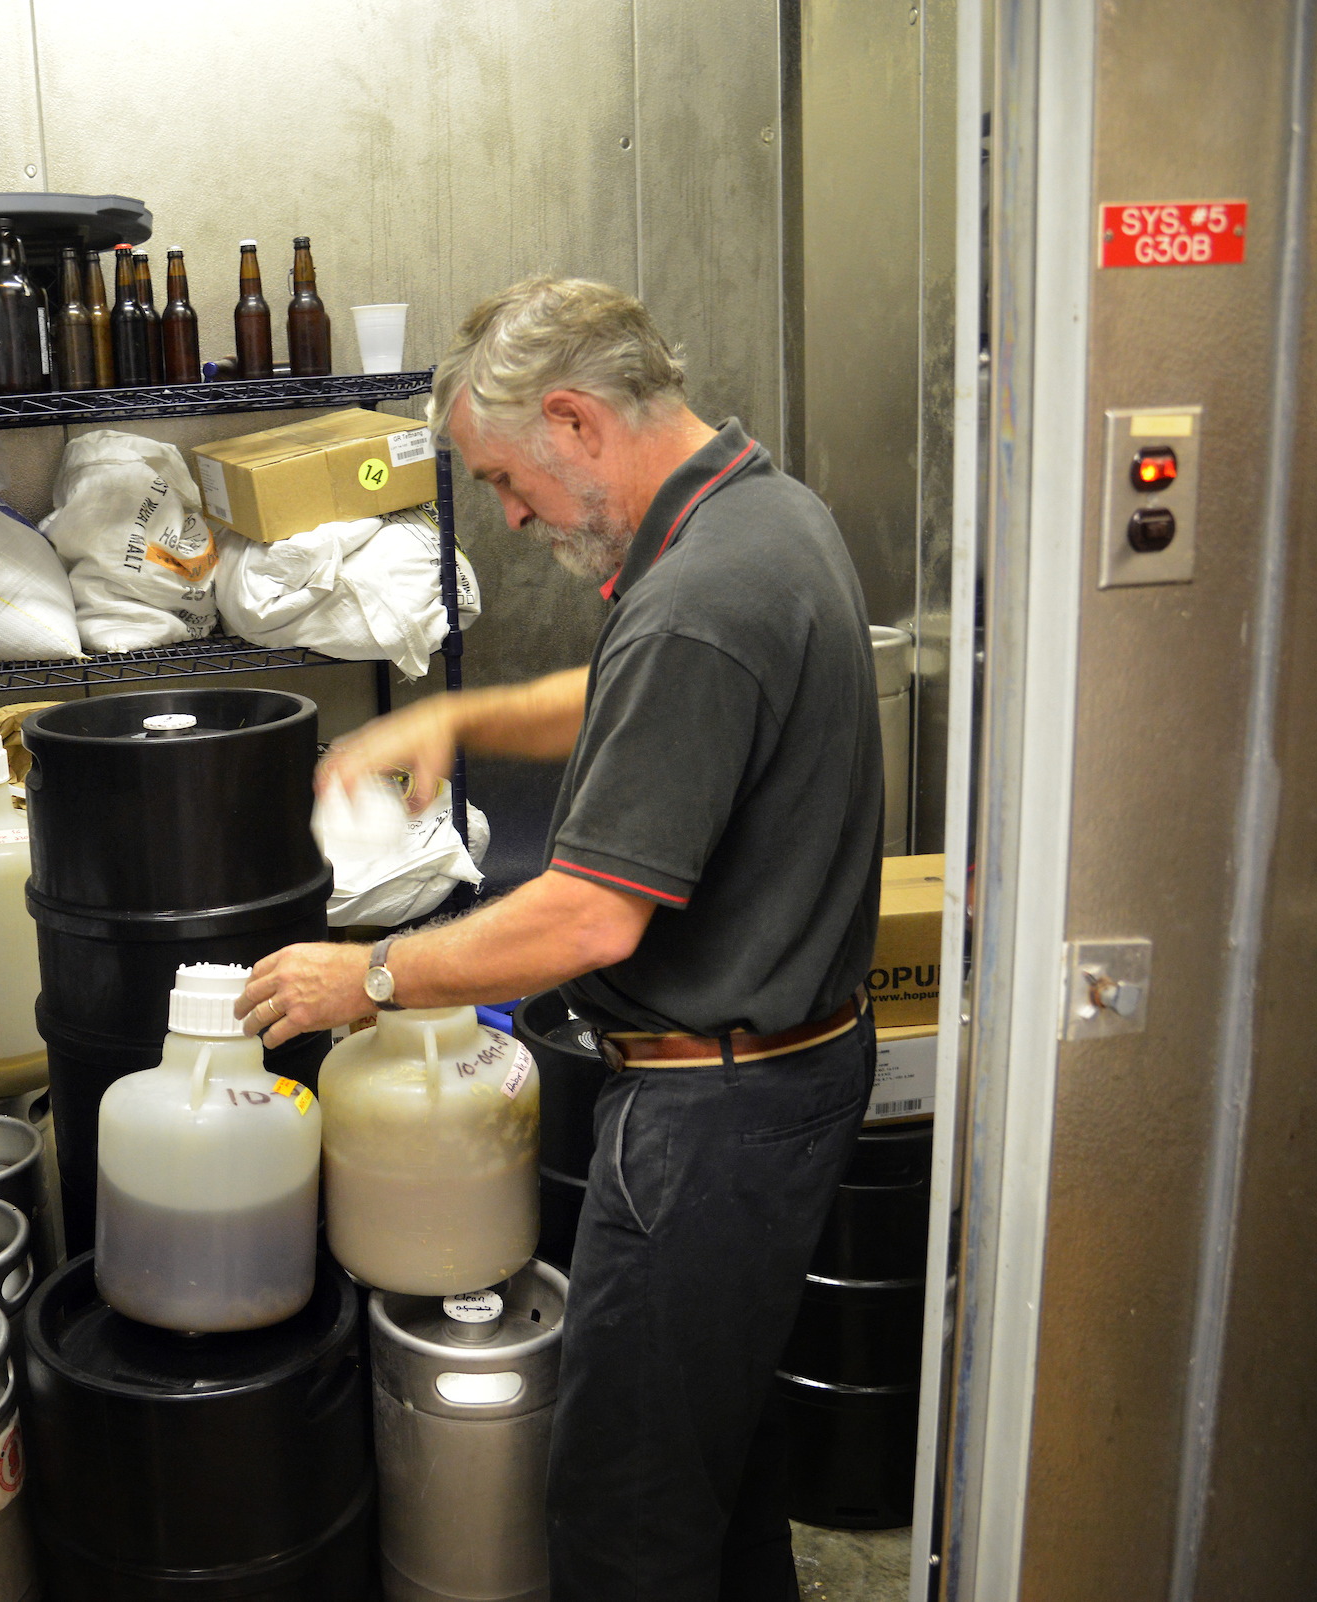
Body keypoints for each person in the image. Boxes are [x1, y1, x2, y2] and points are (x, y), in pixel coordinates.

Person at [237, 275, 884, 1600]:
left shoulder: (702, 595)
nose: (516, 517)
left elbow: (590, 909)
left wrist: (367, 976)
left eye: (509, 482)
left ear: (578, 421)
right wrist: (457, 722)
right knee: (722, 1471)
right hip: (790, 1074)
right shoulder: (761, 516)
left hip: (715, 1117)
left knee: (626, 1510)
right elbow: (631, 696)